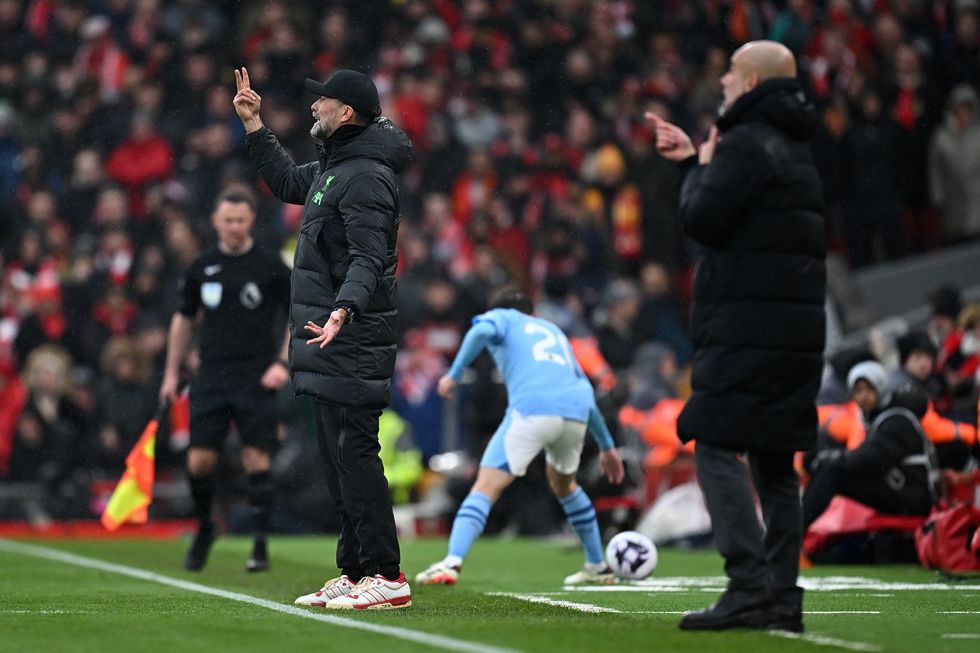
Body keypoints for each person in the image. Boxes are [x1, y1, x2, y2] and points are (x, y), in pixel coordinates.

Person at [647, 41, 825, 632]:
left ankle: (748, 586)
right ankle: (780, 595)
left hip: (749, 328)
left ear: (749, 82)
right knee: (774, 460)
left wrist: (700, 166)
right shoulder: (793, 145)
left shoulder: (747, 141)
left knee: (715, 439)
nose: (720, 79)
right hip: (792, 328)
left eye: (729, 72)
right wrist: (694, 158)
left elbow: (703, 218)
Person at [233, 67, 414, 609]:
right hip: (329, 334)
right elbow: (288, 183)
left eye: (323, 101)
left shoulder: (366, 177)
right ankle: (357, 570)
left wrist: (345, 309)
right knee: (337, 458)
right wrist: (254, 126)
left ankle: (388, 573)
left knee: (356, 453)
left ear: (347, 114)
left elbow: (370, 257)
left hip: (351, 334)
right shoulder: (339, 167)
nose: (314, 107)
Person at [414, 288, 625, 586]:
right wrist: (607, 446)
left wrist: (455, 373)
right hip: (576, 411)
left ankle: (451, 562)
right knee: (564, 484)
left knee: (486, 486)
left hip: (534, 408)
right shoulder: (555, 332)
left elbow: (481, 331)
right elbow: (583, 386)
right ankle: (597, 564)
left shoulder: (504, 317)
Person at [159, 185, 291, 572]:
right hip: (212, 374)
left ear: (251, 221)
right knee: (199, 461)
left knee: (256, 457)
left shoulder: (269, 265)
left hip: (256, 374)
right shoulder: (201, 268)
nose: (234, 227)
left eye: (241, 220)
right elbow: (183, 320)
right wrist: (170, 374)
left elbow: (295, 314)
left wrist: (282, 363)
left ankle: (261, 545)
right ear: (216, 222)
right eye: (228, 220)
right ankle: (204, 528)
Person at [803, 361, 937, 529]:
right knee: (828, 469)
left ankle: (795, 530)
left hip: (913, 499)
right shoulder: (880, 418)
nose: (864, 396)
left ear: (881, 388)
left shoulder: (896, 419)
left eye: (869, 389)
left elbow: (871, 460)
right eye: (858, 391)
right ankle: (795, 527)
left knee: (832, 472)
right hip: (903, 492)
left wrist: (829, 459)